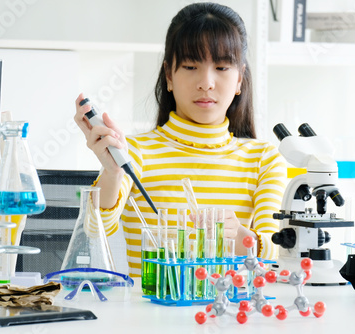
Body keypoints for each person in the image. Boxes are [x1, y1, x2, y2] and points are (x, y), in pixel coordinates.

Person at [74, 2, 286, 277]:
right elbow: (94, 229)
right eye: (190, 66)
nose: (206, 82)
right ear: (169, 75)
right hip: (152, 317)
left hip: (235, 315)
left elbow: (279, 250)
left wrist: (244, 239)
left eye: (221, 67)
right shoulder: (134, 152)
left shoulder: (264, 159)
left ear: (240, 80)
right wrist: (113, 171)